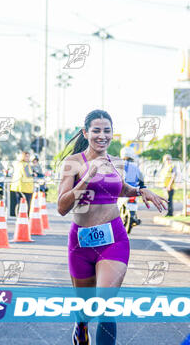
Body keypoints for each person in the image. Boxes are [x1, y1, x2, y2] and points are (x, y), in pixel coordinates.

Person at [57, 110, 167, 345]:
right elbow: (61, 206)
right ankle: (81, 324)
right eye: (96, 130)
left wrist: (139, 190)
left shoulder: (116, 162)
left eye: (107, 131)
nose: (102, 135)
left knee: (106, 305)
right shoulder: (73, 163)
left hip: (113, 240)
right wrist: (86, 179)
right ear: (86, 133)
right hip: (81, 242)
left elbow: (121, 189)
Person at [120, 146, 145, 226]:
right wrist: (142, 186)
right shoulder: (136, 167)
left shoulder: (119, 165)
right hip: (134, 191)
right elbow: (141, 179)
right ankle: (133, 217)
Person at [9, 150, 34, 217]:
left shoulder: (17, 164)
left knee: (19, 202)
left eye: (28, 156)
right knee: (27, 203)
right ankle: (25, 216)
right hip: (25, 187)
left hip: (16, 186)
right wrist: (34, 174)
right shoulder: (25, 164)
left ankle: (18, 215)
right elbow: (28, 175)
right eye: (26, 156)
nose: (28, 158)